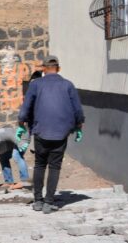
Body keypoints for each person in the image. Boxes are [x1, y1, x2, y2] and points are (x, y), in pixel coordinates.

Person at [18, 56, 85, 214]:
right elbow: (77, 109)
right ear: (58, 69)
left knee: (40, 164)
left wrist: (21, 123)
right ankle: (48, 202)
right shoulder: (68, 85)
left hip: (41, 130)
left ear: (43, 69)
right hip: (61, 132)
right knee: (55, 166)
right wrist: (79, 126)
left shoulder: (35, 85)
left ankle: (37, 201)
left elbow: (26, 106)